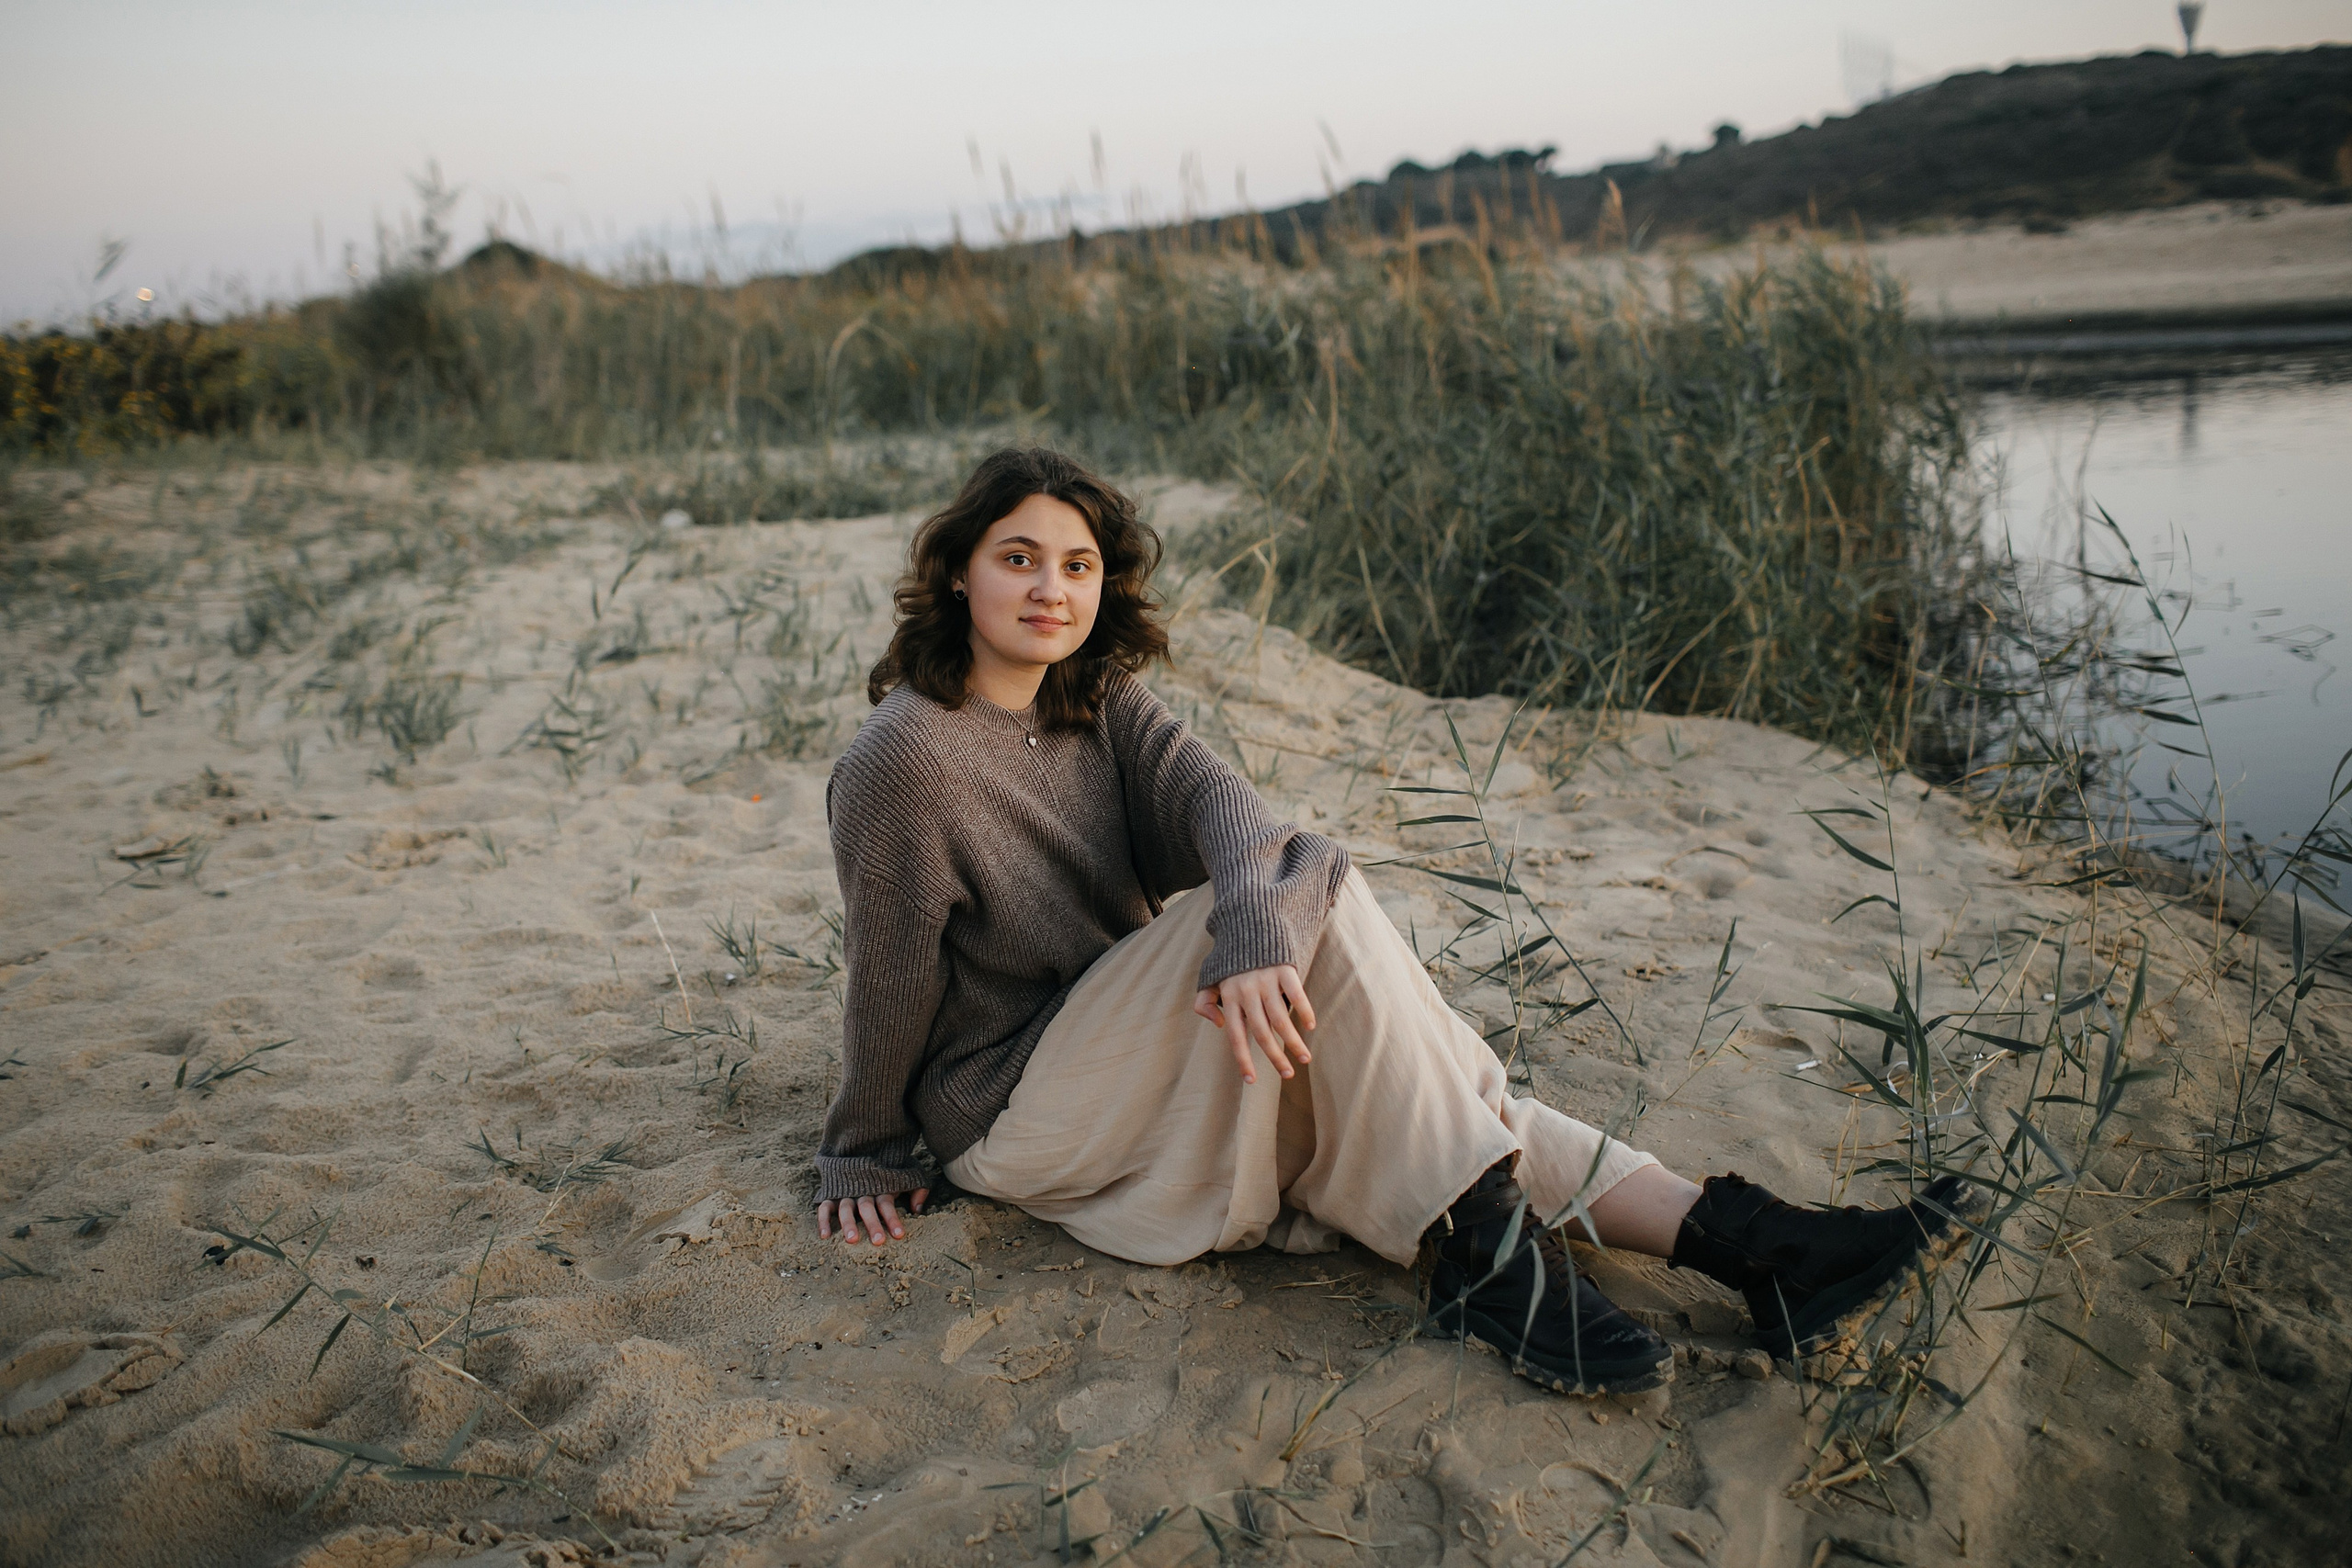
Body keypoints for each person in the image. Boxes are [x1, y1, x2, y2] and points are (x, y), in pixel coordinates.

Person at [812, 446, 1973, 1395]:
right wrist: (862, 1144)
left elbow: (1232, 810)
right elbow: (890, 973)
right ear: (957, 575)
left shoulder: (1098, 700)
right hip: (1017, 1099)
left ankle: (1751, 1247)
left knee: (1325, 953)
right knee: (1301, 892)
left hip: (1131, 1045)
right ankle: (1517, 1259)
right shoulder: (903, 758)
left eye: (1076, 565)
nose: (1051, 590)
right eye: (1017, 559)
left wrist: (1254, 938)